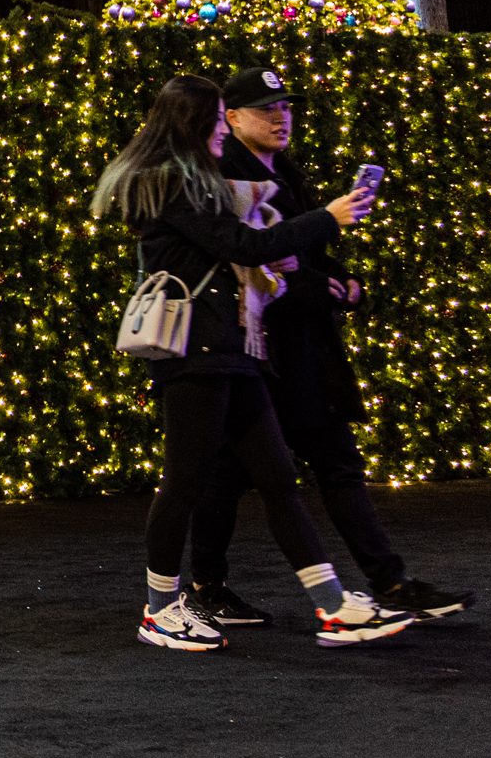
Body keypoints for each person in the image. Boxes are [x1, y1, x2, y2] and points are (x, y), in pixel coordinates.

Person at [91, 73, 416, 651]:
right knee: (185, 482)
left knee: (279, 481)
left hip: (233, 349)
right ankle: (160, 609)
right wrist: (326, 217)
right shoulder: (167, 184)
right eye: (217, 121)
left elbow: (246, 247)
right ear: (193, 124)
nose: (223, 131)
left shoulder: (196, 184)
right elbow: (244, 247)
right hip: (193, 352)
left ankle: (334, 606)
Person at [182, 65, 468, 629]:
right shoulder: (229, 177)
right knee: (251, 474)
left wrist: (341, 281)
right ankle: (217, 589)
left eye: (285, 106)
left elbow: (301, 255)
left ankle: (376, 582)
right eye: (267, 108)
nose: (281, 116)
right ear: (231, 118)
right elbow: (255, 257)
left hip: (299, 350)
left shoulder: (280, 172)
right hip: (264, 353)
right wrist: (320, 277)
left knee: (290, 470)